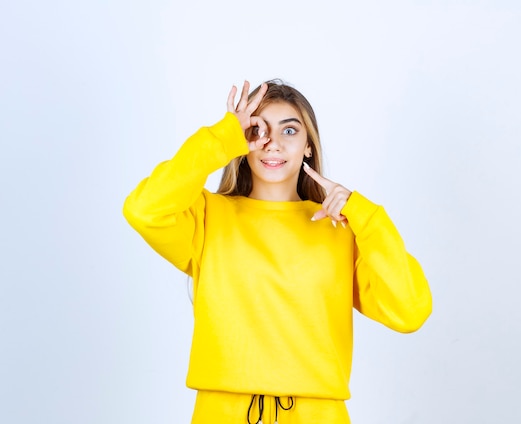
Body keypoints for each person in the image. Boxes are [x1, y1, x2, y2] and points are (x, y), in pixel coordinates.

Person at [123, 79, 432, 423]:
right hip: (221, 413)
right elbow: (143, 209)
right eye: (258, 130)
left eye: (289, 131)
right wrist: (223, 138)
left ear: (308, 146)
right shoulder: (208, 217)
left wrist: (366, 217)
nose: (271, 144)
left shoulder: (342, 229)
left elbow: (410, 311)